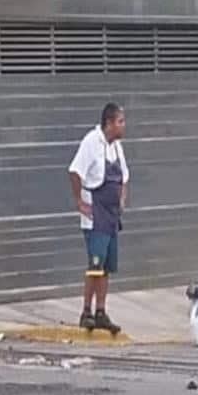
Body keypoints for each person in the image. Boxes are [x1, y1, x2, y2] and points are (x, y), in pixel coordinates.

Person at [68, 103, 129, 333]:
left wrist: (122, 198)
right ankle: (86, 311)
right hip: (95, 216)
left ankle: (101, 311)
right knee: (95, 264)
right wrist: (79, 202)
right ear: (109, 123)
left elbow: (124, 176)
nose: (124, 126)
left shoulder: (117, 147)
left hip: (111, 216)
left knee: (106, 267)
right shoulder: (91, 142)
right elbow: (74, 171)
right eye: (121, 121)